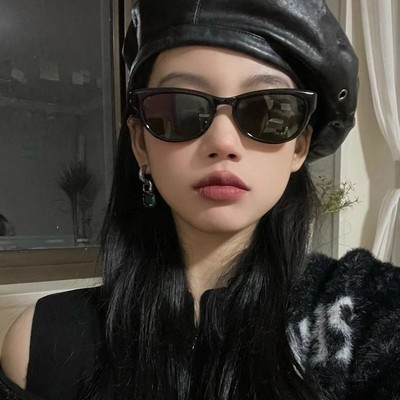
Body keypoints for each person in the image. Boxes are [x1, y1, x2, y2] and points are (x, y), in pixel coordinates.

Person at [1, 0, 400, 399]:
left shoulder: (365, 311)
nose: (223, 142)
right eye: (181, 109)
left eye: (268, 110)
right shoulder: (44, 344)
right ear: (141, 144)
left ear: (299, 146)